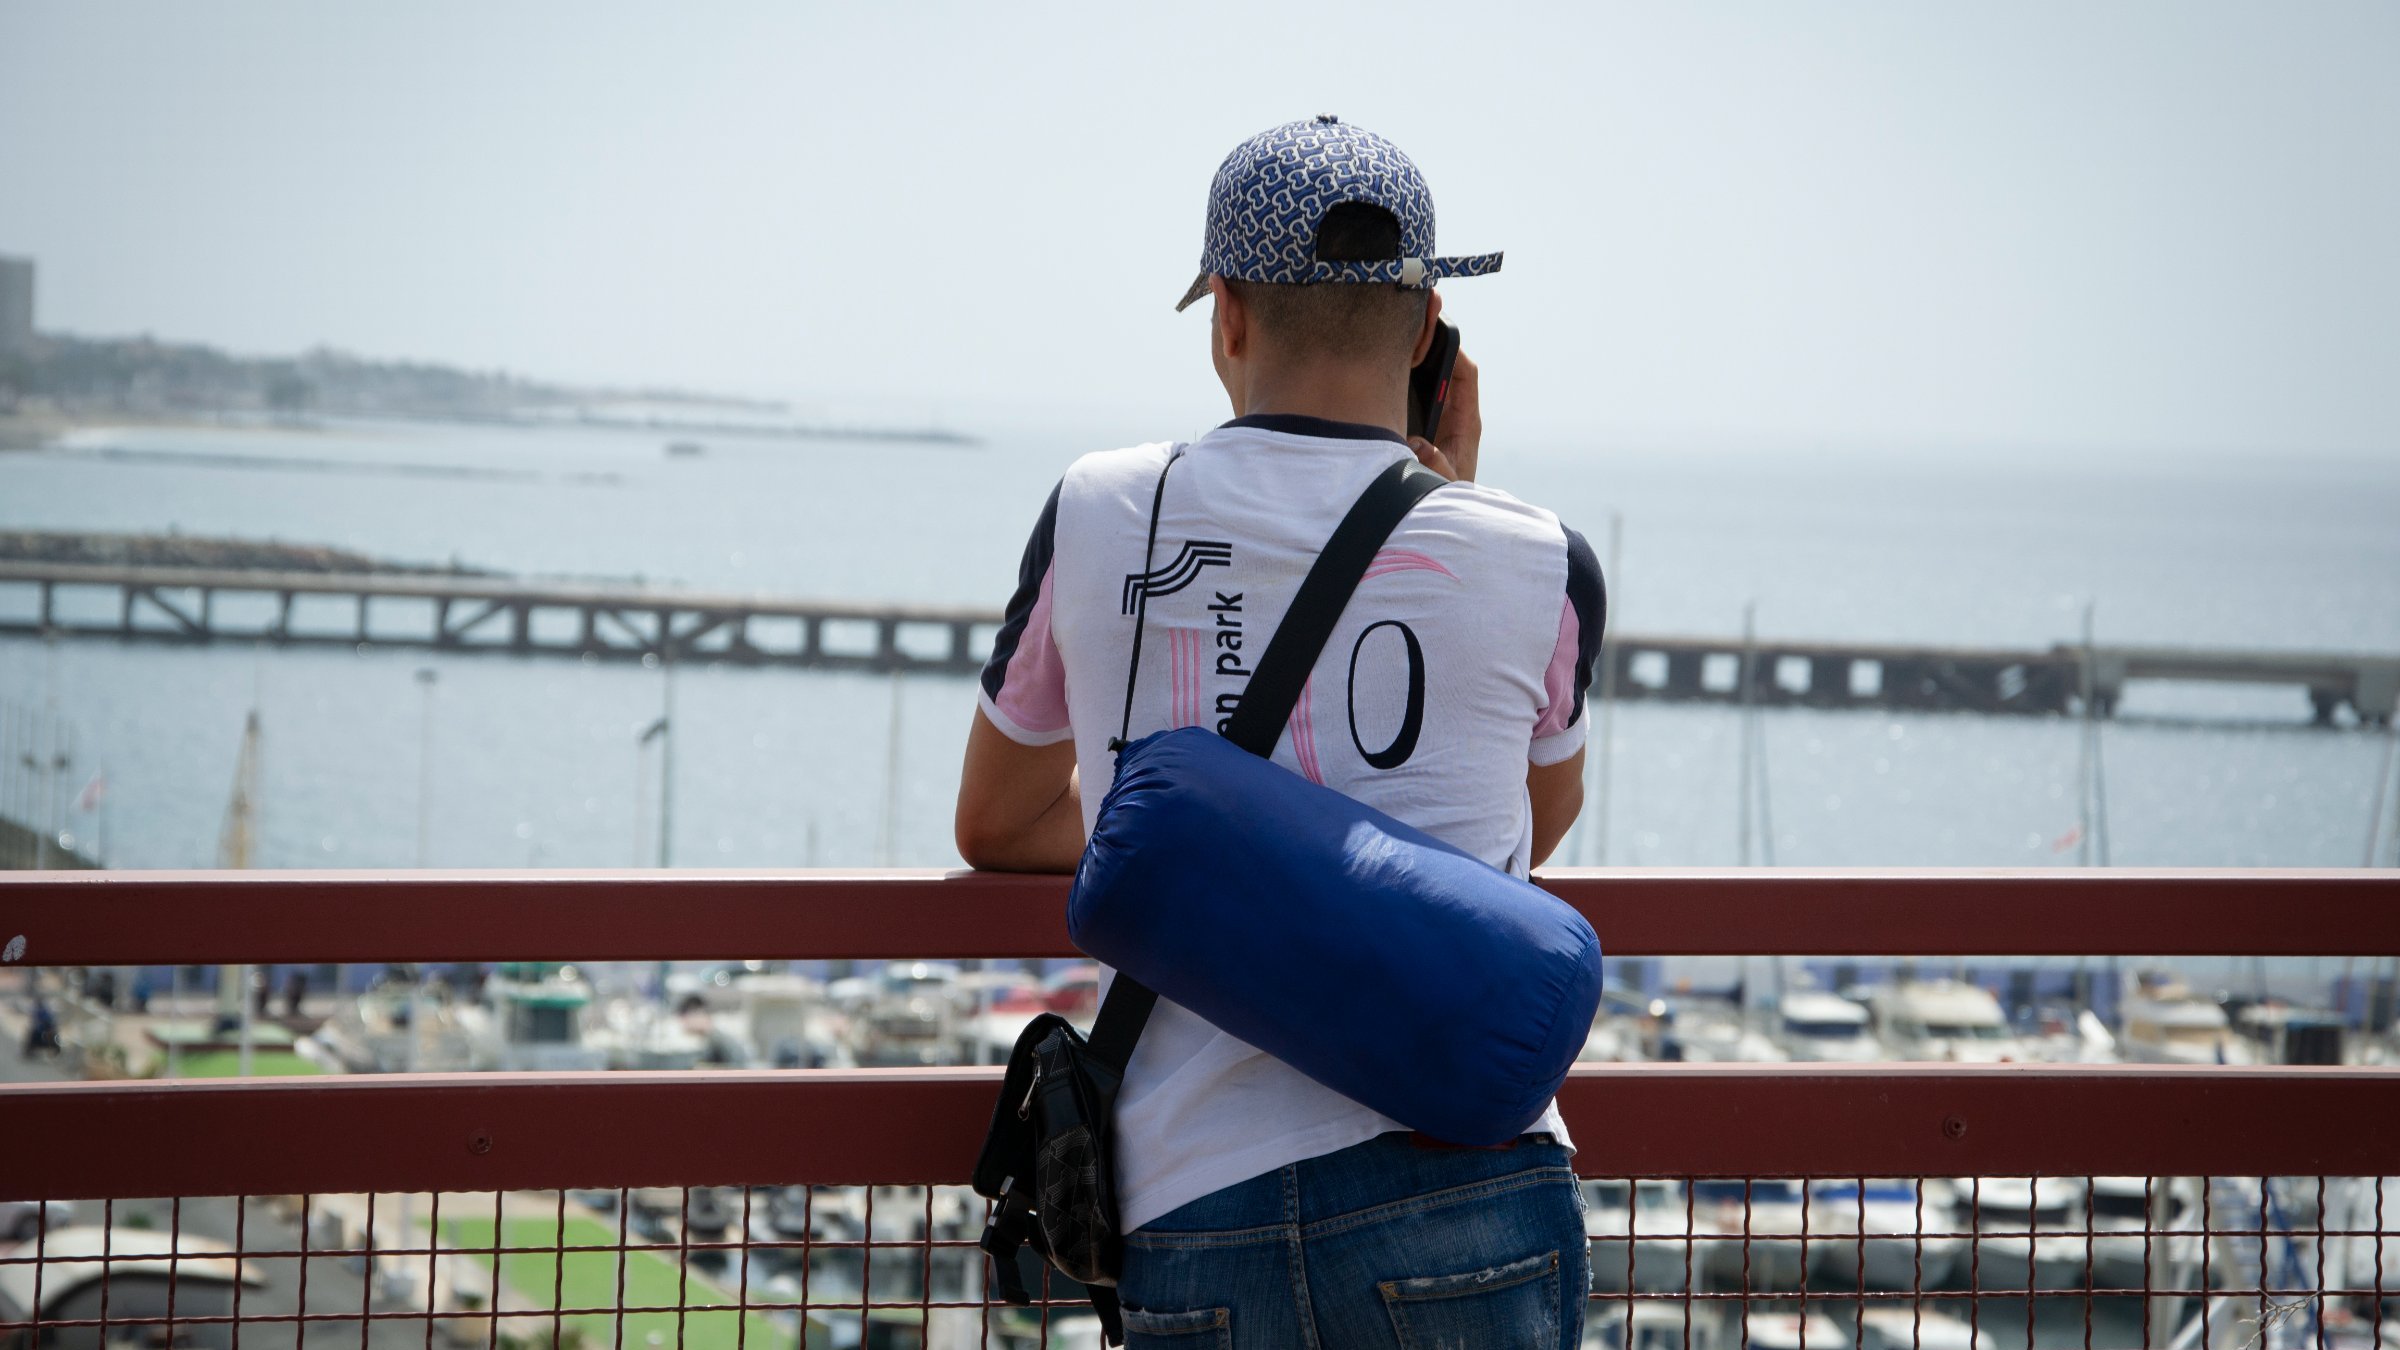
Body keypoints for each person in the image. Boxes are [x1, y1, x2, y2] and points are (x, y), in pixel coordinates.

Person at [955, 115, 1605, 1349]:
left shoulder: (1096, 508)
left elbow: (992, 825)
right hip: (1468, 1172)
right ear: (1426, 332)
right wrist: (1453, 505)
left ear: (1229, 317)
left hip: (1197, 1197)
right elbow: (1543, 824)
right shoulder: (1541, 554)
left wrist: (1177, 831)